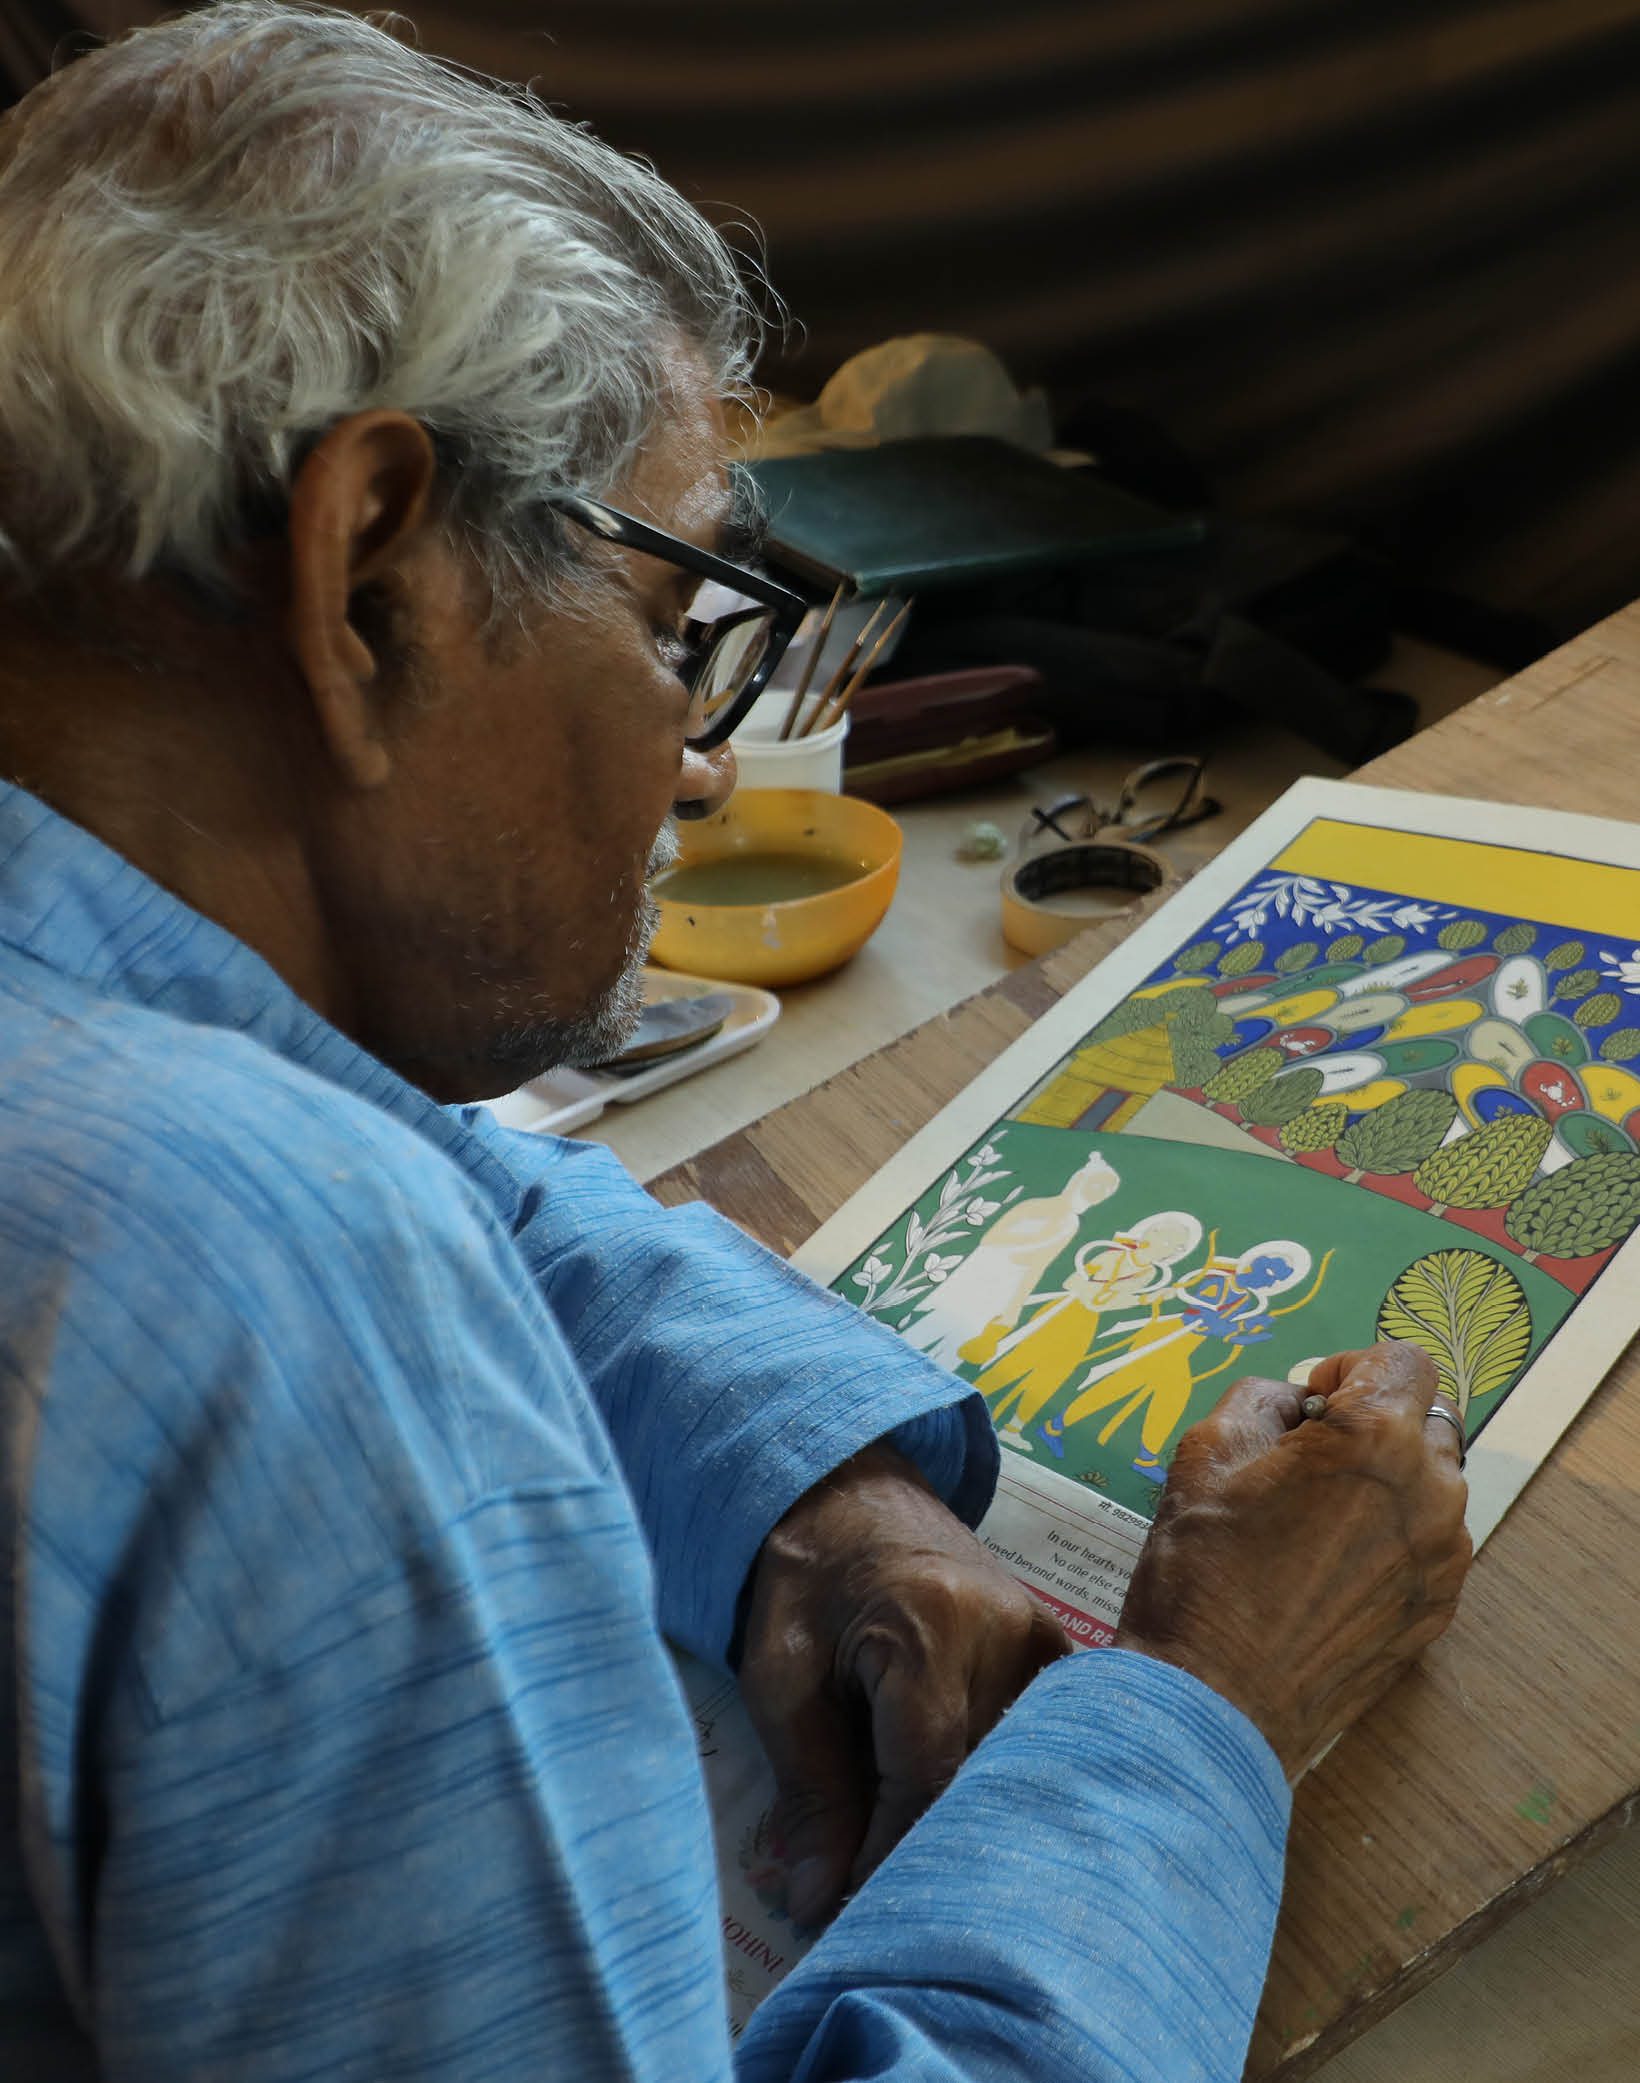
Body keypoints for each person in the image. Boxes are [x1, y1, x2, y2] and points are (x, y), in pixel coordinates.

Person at [0, 7, 1473, 2078]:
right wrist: (1212, 1703)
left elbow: (463, 1176)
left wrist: (810, 1489)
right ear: (369, 579)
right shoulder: (270, 1277)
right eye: (668, 622)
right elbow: (338, 1223)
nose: (698, 762)